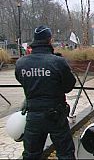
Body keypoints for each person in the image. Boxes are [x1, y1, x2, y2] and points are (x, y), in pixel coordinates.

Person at [15, 25, 76, 159]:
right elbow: (69, 85)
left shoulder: (21, 63)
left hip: (33, 115)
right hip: (56, 114)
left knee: (31, 154)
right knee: (65, 153)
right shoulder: (58, 62)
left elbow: (22, 81)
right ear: (49, 40)